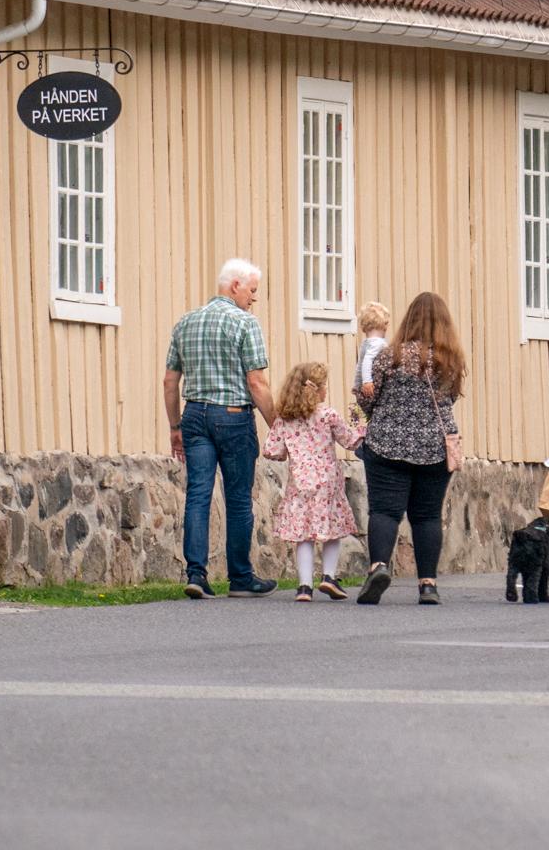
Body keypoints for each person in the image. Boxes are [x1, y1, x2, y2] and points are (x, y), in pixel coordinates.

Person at [163, 257, 278, 599]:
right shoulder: (245, 324)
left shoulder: (186, 322)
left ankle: (196, 574)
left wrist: (174, 426)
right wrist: (279, 427)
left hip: (194, 415)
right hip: (233, 416)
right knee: (239, 498)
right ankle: (241, 578)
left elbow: (170, 381)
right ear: (236, 286)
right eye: (253, 291)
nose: (254, 298)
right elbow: (256, 382)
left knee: (198, 494)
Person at [356, 290, 466, 605]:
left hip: (386, 443)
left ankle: (378, 567)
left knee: (385, 511)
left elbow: (368, 398)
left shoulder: (389, 356)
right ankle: (428, 584)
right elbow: (452, 398)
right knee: (427, 515)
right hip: (434, 447)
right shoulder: (451, 359)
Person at [262, 361, 363, 600]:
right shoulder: (328, 415)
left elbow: (271, 450)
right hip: (328, 481)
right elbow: (350, 441)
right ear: (316, 390)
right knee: (332, 529)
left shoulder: (284, 419)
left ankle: (304, 587)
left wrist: (290, 451)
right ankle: (328, 577)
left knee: (303, 535)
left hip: (300, 482)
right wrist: (360, 427)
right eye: (324, 386)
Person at [353, 299, 394, 401]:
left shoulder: (366, 343)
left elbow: (360, 365)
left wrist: (357, 384)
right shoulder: (378, 342)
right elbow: (367, 361)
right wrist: (367, 381)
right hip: (375, 384)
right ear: (383, 324)